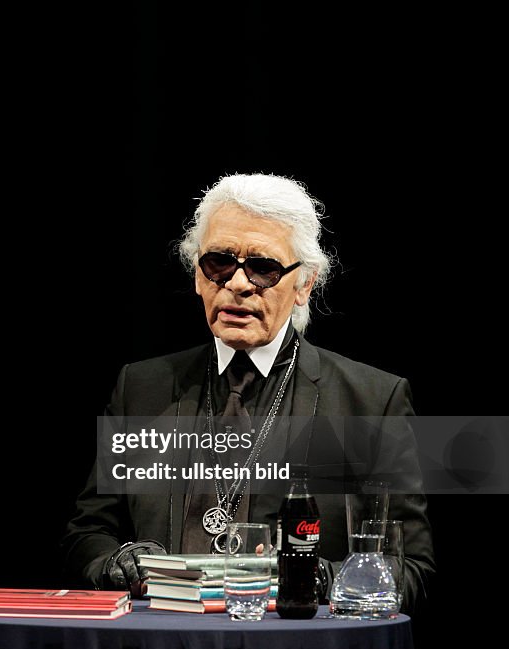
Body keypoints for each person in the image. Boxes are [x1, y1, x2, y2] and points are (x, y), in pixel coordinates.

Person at [61, 173, 434, 614]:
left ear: (304, 284)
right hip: (160, 645)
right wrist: (115, 563)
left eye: (263, 268)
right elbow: (87, 535)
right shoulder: (141, 388)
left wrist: (317, 577)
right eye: (218, 262)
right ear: (198, 277)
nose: (237, 284)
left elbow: (409, 568)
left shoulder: (371, 401)